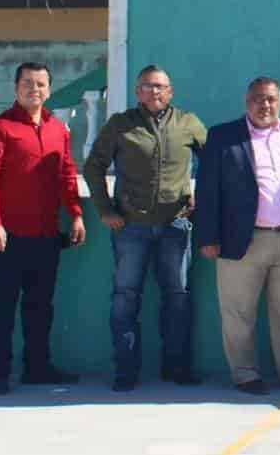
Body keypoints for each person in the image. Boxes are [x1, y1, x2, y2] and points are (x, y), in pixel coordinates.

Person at [193, 77, 280, 396]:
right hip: (242, 240)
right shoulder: (224, 136)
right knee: (239, 312)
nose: (265, 105)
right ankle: (245, 374)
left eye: (271, 99)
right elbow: (207, 190)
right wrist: (207, 236)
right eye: (257, 99)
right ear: (246, 101)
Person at [83, 65, 207, 392]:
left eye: (161, 87)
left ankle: (176, 367)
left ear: (171, 92)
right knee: (125, 298)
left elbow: (215, 163)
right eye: (148, 86)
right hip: (130, 227)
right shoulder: (120, 125)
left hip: (176, 227)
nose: (155, 92)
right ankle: (126, 370)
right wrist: (104, 210)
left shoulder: (188, 123)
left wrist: (201, 202)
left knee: (177, 298)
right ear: (138, 91)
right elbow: (93, 166)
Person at [0, 61, 87, 395]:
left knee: (41, 308)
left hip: (46, 236)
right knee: (2, 308)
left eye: (40, 84)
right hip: (7, 237)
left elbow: (67, 175)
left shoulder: (58, 130)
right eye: (27, 83)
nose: (33, 89)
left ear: (49, 90)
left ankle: (37, 368)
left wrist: (76, 215)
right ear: (15, 88)